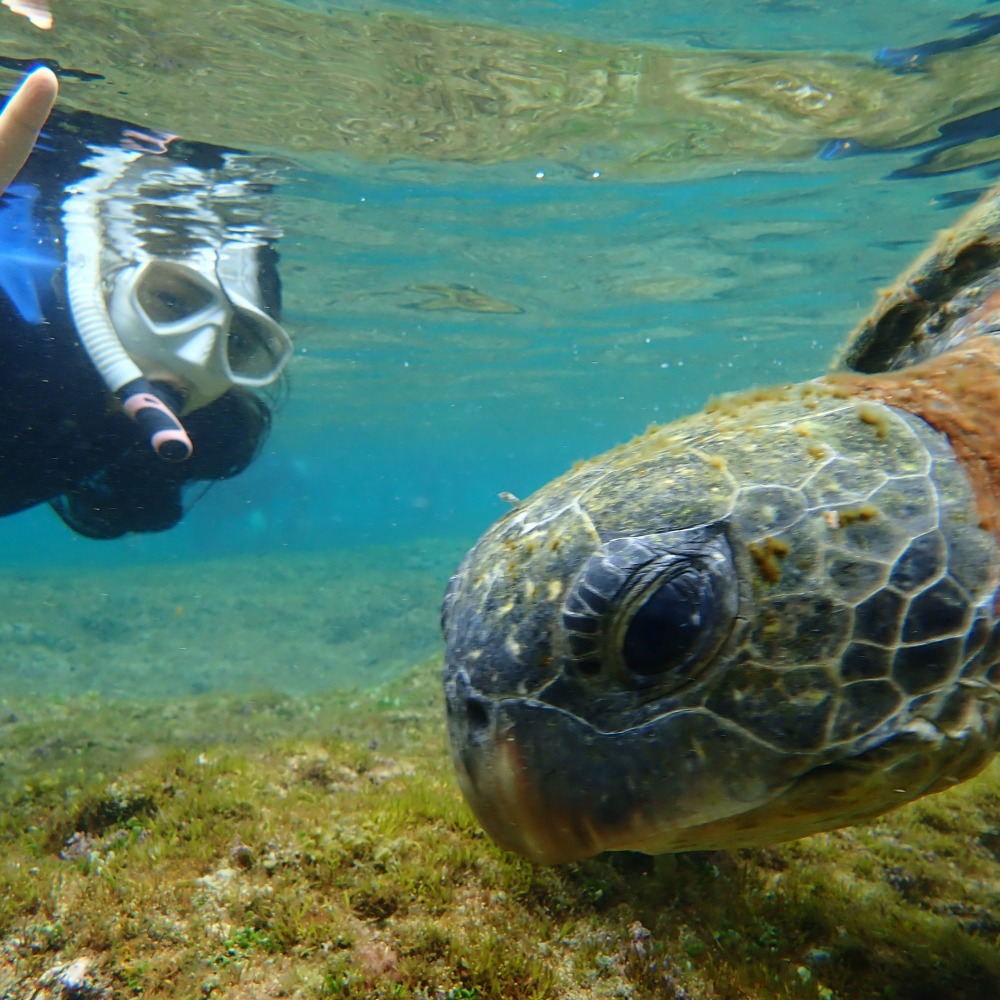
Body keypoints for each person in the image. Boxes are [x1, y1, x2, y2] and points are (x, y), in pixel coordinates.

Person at [0, 68, 293, 538]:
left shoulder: (139, 440)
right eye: (173, 303)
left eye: (238, 343)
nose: (197, 357)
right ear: (100, 282)